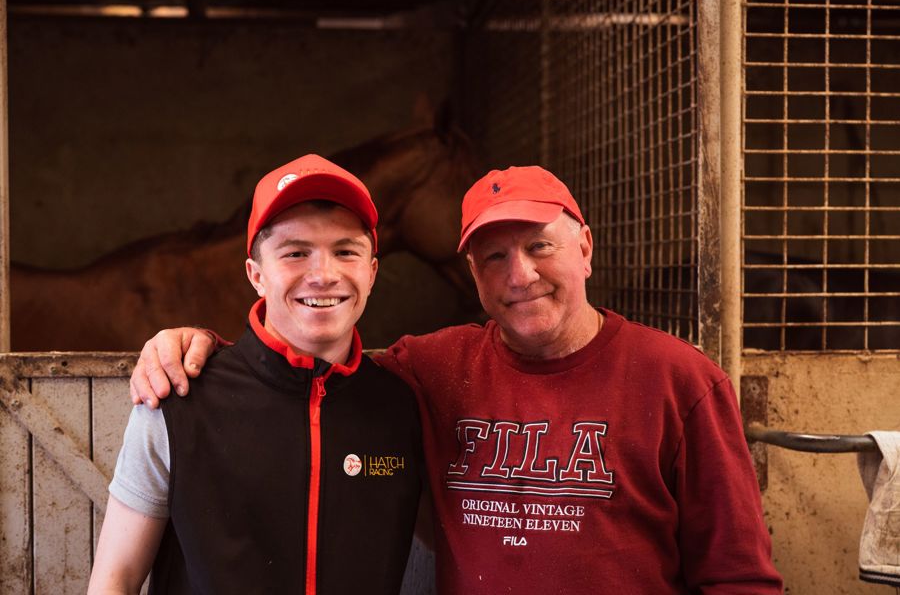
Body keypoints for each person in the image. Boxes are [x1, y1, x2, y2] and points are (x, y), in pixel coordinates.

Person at [129, 165, 783, 594]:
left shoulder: (680, 381)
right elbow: (306, 371)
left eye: (540, 245)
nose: (519, 275)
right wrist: (206, 349)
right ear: (472, 274)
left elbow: (739, 578)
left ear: (584, 247)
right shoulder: (433, 367)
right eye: (493, 256)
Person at [89, 154, 423, 594]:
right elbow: (115, 579)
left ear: (372, 272)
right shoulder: (179, 399)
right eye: (295, 253)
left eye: (346, 252)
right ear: (256, 275)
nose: (323, 275)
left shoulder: (402, 408)